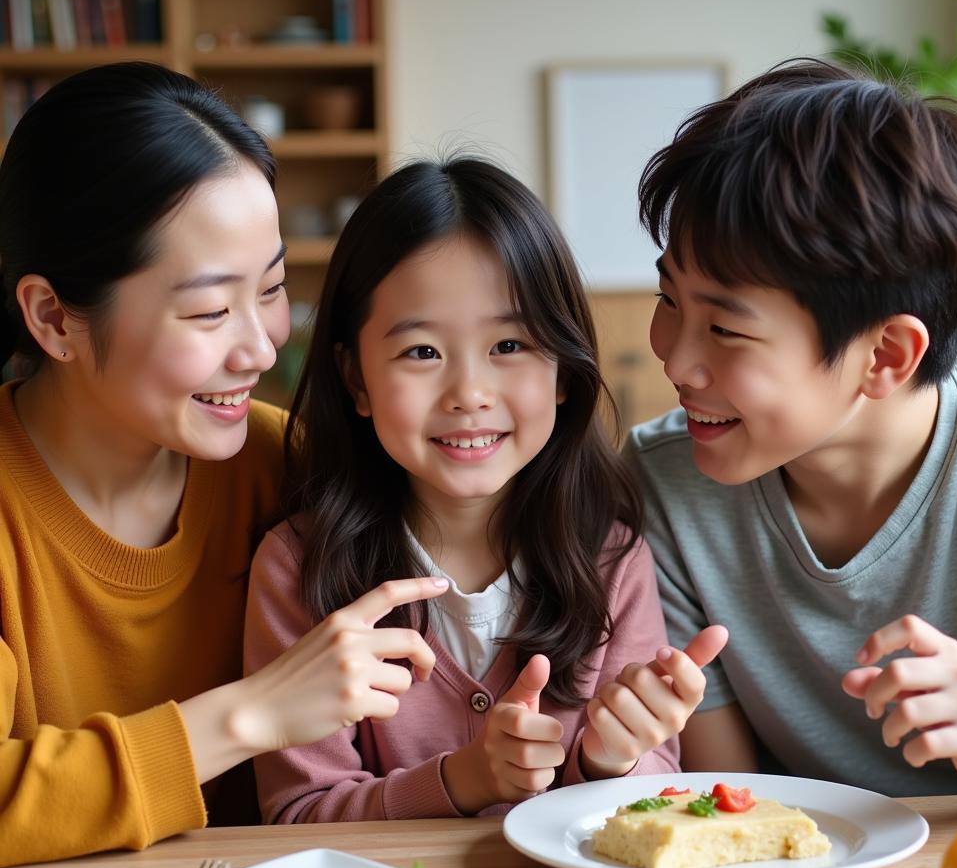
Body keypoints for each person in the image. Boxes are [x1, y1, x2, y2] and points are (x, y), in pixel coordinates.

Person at [0, 62, 449, 868]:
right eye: (208, 311)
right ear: (52, 317)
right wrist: (250, 715)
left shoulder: (290, 468)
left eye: (273, 289)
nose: (261, 344)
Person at [245, 156, 727, 822]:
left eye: (510, 345)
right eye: (421, 352)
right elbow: (296, 815)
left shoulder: (610, 558)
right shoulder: (298, 566)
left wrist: (611, 760)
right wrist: (461, 781)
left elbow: (649, 800)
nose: (469, 394)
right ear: (355, 377)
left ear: (563, 370)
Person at [625, 58, 957, 796]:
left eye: (725, 329)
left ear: (886, 355)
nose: (676, 358)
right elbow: (731, 809)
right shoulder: (665, 482)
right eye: (668, 297)